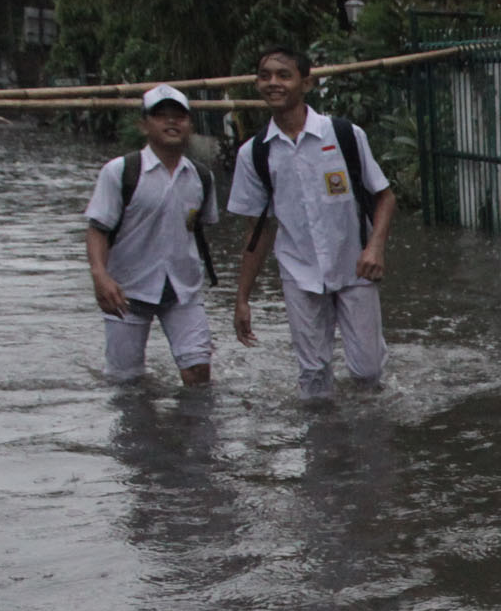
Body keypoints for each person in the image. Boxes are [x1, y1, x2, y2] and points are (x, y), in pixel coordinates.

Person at [228, 44, 398, 397]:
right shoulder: (255, 153)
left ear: (306, 83)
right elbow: (257, 232)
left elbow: (384, 196)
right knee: (313, 376)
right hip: (299, 273)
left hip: (355, 267)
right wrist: (242, 298)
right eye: (265, 76)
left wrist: (375, 248)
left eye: (283, 75)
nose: (273, 83)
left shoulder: (344, 135)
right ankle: (323, 448)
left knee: (367, 372)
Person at [86, 85, 221, 387]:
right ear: (144, 125)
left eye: (179, 117)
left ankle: (193, 431)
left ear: (189, 125)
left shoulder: (200, 177)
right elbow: (98, 228)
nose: (171, 123)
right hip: (127, 290)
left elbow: (202, 226)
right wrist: (100, 276)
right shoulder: (120, 172)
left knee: (198, 372)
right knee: (125, 382)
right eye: (161, 116)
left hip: (182, 288)